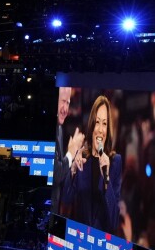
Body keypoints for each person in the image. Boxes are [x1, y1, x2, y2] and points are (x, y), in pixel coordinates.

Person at [59, 93, 121, 235]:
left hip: (101, 247)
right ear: (92, 124)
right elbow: (66, 198)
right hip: (80, 242)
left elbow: (114, 221)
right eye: (97, 122)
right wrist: (73, 169)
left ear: (108, 129)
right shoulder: (82, 158)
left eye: (104, 124)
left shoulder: (115, 162)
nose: (100, 129)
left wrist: (106, 179)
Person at [52, 86, 82, 217]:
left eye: (68, 103)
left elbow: (61, 175)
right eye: (62, 101)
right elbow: (56, 173)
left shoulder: (60, 128)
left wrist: (72, 164)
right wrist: (71, 153)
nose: (65, 109)